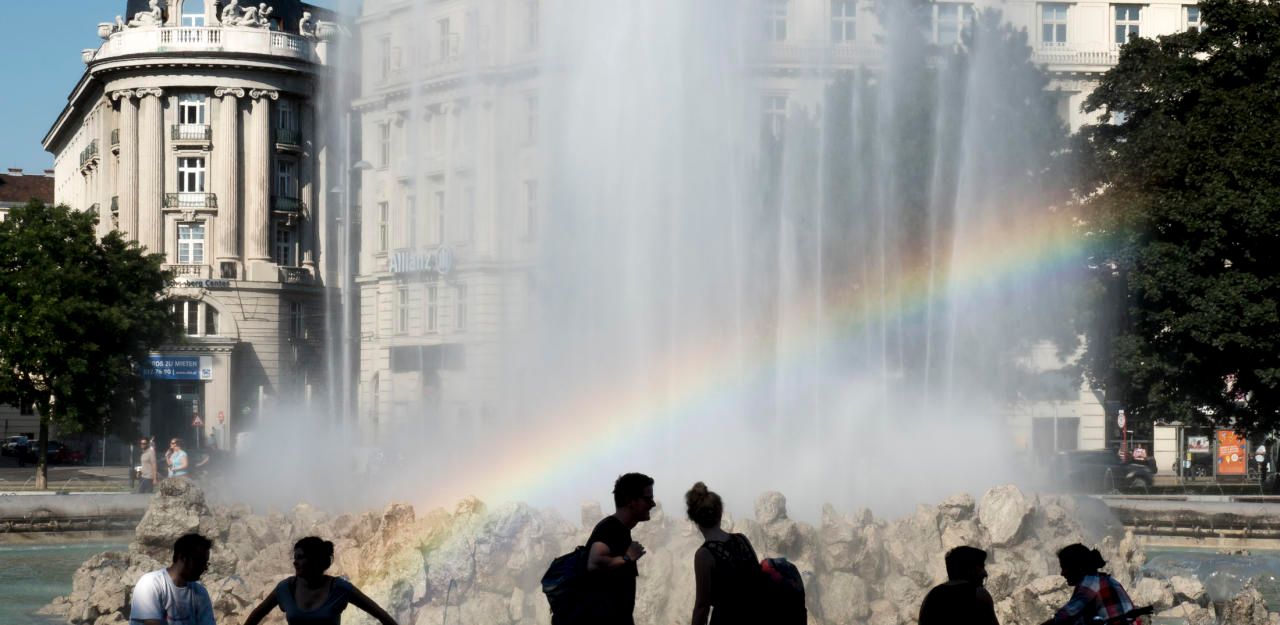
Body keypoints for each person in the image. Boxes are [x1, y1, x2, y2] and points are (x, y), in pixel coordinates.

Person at [243, 536, 399, 625]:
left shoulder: (339, 588)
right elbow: (256, 615)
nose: (294, 563)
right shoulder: (286, 588)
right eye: (295, 558)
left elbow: (380, 614)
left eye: (300, 557)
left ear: (314, 560)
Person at [585, 472, 656, 625]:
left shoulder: (620, 529)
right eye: (648, 499)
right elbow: (594, 563)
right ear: (630, 501)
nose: (653, 504)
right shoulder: (610, 528)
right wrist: (626, 558)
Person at [686, 482, 761, 625]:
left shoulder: (704, 555)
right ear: (720, 514)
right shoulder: (742, 539)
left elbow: (702, 606)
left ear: (695, 520)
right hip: (757, 617)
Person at [129, 533, 216, 625]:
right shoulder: (151, 584)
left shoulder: (200, 592)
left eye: (206, 563)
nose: (205, 568)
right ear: (182, 557)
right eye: (200, 561)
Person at [1040, 544, 1138, 625]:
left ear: (1077, 567)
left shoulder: (1090, 583)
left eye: (1064, 568)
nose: (1062, 573)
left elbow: (1064, 618)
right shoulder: (1109, 581)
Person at [919, 546, 999, 625]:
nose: (985, 573)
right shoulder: (978, 595)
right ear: (970, 569)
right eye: (981, 567)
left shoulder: (930, 597)